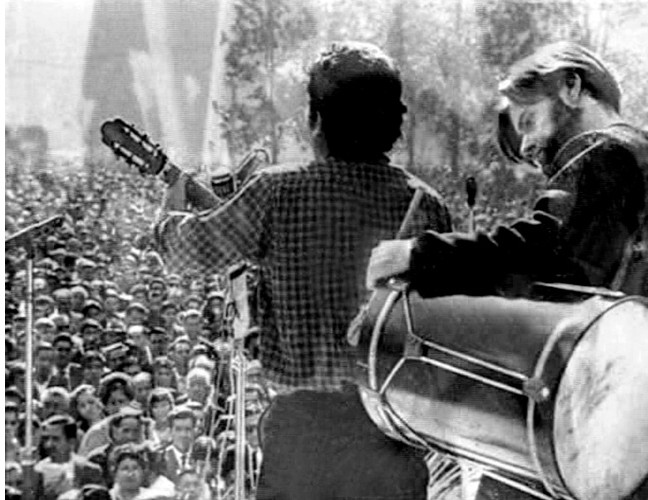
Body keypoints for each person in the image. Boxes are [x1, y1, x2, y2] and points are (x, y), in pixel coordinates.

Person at [153, 41, 450, 498]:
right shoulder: (425, 204)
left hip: (302, 439)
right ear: (393, 122)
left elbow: (184, 252)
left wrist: (171, 205)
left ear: (316, 119)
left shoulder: (278, 191)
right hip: (393, 434)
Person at [364, 41, 648, 500]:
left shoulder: (605, 151)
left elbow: (543, 252)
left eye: (529, 120)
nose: (530, 146)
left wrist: (420, 254)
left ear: (572, 86)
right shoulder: (638, 158)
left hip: (591, 421)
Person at [20, 415, 107, 500]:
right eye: (46, 439)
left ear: (71, 442)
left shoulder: (89, 470)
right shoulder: (37, 471)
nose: (49, 444)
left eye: (55, 439)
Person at [108, 443, 173, 500]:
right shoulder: (107, 496)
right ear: (115, 473)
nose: (131, 474)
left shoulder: (155, 496)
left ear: (143, 472)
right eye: (125, 468)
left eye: (135, 468)